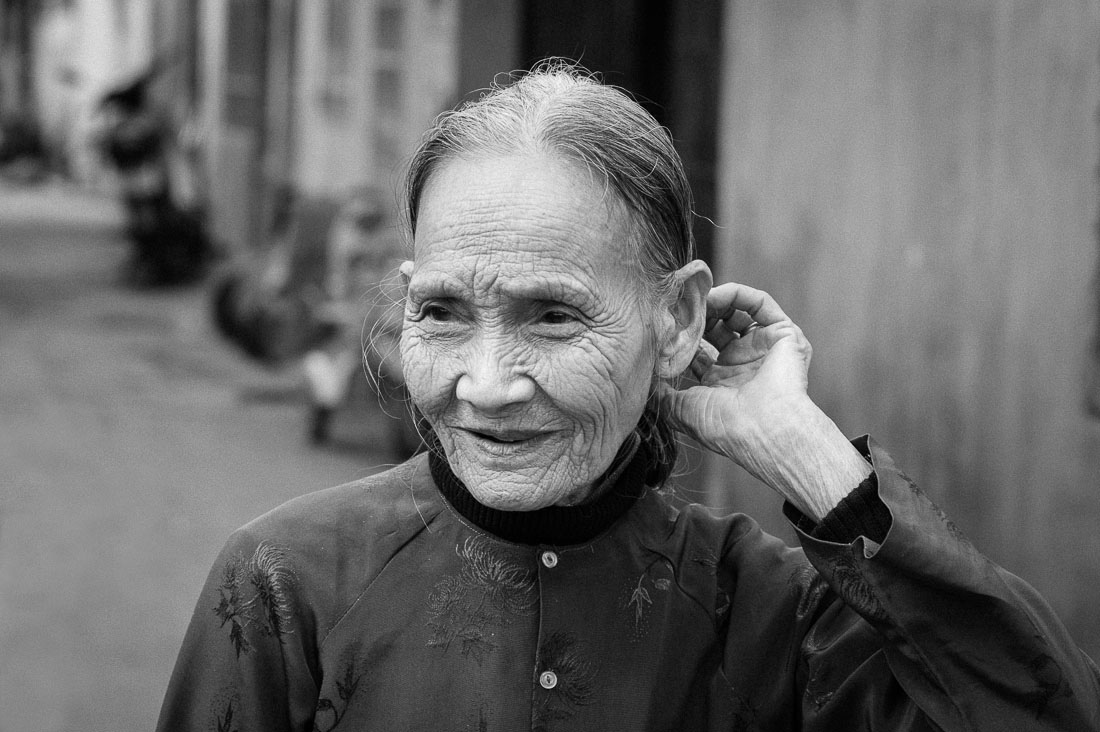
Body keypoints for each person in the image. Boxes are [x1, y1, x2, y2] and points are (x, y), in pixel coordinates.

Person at [156, 64, 1100, 731]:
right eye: (442, 311)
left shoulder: (762, 612)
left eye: (554, 317)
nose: (484, 384)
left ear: (678, 316)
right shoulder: (286, 582)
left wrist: (806, 453)